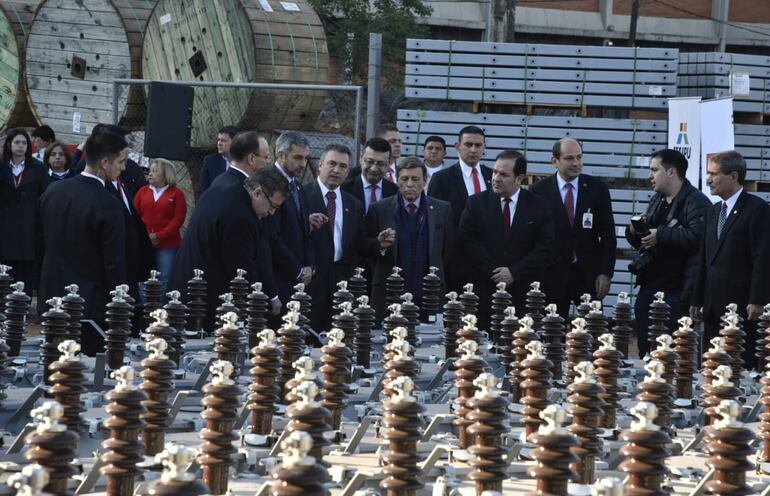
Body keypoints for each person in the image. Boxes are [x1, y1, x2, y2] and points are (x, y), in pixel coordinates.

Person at [169, 168, 288, 330]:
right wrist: (261, 300)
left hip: (185, 283)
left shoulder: (222, 189)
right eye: (272, 206)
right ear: (257, 193)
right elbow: (240, 268)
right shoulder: (240, 216)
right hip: (203, 298)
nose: (272, 213)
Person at [625, 149, 710, 358]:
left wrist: (660, 234)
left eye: (654, 170)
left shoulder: (697, 201)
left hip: (678, 291)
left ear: (671, 172)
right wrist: (635, 231)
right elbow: (646, 240)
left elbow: (698, 237)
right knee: (646, 347)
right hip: (649, 285)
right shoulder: (657, 199)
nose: (649, 176)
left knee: (671, 352)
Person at [459, 150, 555, 332]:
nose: (496, 178)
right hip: (484, 292)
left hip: (522, 294)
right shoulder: (476, 203)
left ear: (519, 179)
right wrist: (494, 272)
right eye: (495, 172)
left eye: (503, 174)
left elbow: (545, 248)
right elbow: (467, 241)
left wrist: (514, 272)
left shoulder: (539, 206)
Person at [690, 151, 770, 370]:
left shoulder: (757, 210)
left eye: (714, 174)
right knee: (712, 366)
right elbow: (706, 259)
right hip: (712, 306)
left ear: (733, 176)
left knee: (739, 367)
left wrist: (758, 299)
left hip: (742, 306)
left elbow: (762, 258)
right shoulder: (713, 211)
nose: (708, 180)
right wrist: (697, 299)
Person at [39, 130, 128, 326]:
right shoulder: (109, 203)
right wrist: (118, 300)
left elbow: (39, 242)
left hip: (51, 294)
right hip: (88, 303)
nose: (124, 167)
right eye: (121, 161)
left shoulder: (53, 191)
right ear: (105, 163)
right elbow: (114, 260)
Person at [529, 137, 616, 319]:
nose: (576, 163)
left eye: (579, 157)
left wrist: (605, 273)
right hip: (551, 276)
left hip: (587, 275)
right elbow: (532, 238)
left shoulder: (597, 189)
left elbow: (608, 235)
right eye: (569, 158)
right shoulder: (538, 192)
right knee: (552, 334)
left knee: (593, 334)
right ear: (555, 161)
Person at [366, 156, 453, 320]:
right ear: (397, 180)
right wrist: (381, 246)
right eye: (404, 179)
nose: (410, 184)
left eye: (415, 179)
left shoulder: (443, 209)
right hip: (388, 293)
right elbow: (365, 249)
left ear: (425, 180)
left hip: (429, 294)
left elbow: (447, 251)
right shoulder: (379, 209)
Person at [201, 131, 280, 307]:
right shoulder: (240, 198)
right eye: (266, 157)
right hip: (213, 297)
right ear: (252, 159)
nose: (268, 163)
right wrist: (259, 298)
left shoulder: (224, 181)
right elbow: (239, 263)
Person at [304, 144, 376, 332]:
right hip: (310, 284)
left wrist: (379, 243)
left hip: (341, 286)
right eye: (332, 164)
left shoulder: (354, 204)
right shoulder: (302, 196)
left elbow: (359, 243)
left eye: (343, 166)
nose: (337, 170)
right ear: (320, 165)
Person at [427, 125, 492, 293]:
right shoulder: (442, 179)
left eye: (478, 145)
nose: (473, 150)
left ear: (484, 148)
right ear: (457, 146)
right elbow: (434, 221)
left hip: (487, 260)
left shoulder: (492, 176)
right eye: (468, 144)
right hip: (454, 261)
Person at [0, 128, 48, 291]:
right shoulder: (1, 167)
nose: (20, 146)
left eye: (24, 143)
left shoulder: (38, 169)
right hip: (4, 229)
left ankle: (22, 314)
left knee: (24, 278)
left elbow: (44, 197)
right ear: (9, 145)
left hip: (28, 230)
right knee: (4, 278)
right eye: (16, 142)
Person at [270, 131, 315, 303]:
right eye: (297, 158)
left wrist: (310, 266)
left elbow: (306, 233)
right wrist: (297, 270)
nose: (303, 164)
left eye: (305, 158)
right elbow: (272, 236)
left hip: (298, 282)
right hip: (277, 279)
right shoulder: (269, 183)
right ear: (281, 155)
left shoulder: (298, 187)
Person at [133, 159, 187, 293]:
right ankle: (143, 308)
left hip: (167, 245)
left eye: (155, 171)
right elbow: (134, 216)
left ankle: (161, 308)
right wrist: (143, 236)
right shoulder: (142, 192)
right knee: (143, 276)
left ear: (166, 174)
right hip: (145, 243)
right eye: (150, 171)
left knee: (164, 277)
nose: (150, 174)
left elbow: (178, 219)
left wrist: (159, 236)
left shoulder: (176, 194)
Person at [341, 137, 398, 214]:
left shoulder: (395, 192)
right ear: (360, 159)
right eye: (370, 162)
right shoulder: (344, 190)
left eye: (380, 164)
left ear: (388, 164)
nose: (374, 168)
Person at [199, 126, 239, 195]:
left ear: (234, 142)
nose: (219, 143)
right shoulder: (210, 161)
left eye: (223, 141)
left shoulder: (244, 161)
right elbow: (203, 189)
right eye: (218, 140)